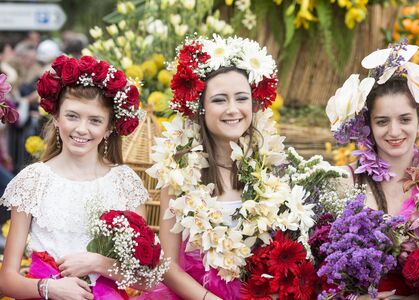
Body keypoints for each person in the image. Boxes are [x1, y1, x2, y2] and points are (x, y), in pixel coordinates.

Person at [0, 55, 149, 299]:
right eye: (72, 116)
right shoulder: (34, 181)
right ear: (57, 118)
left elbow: (146, 278)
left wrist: (98, 263)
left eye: (95, 120)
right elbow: (6, 280)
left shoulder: (125, 183)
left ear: (109, 127)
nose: (81, 129)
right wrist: (48, 288)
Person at [147, 35, 279, 300]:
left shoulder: (271, 168)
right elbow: (168, 266)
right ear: (201, 108)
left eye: (241, 98)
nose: (233, 110)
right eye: (219, 100)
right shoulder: (177, 176)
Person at [326, 42, 419, 300]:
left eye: (404, 119)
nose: (394, 132)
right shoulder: (346, 182)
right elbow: (324, 270)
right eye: (382, 121)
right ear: (368, 125)